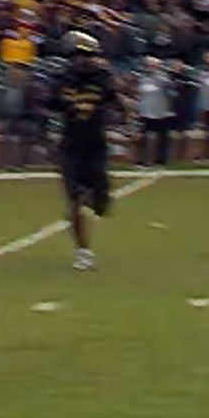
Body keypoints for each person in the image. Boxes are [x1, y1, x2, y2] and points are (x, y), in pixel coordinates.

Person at [51, 31, 124, 271]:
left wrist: (120, 120)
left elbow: (118, 105)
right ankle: (83, 251)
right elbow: (48, 104)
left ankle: (84, 209)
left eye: (86, 55)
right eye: (78, 55)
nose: (82, 60)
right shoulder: (61, 79)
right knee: (76, 200)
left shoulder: (103, 78)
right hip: (71, 146)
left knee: (101, 204)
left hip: (95, 145)